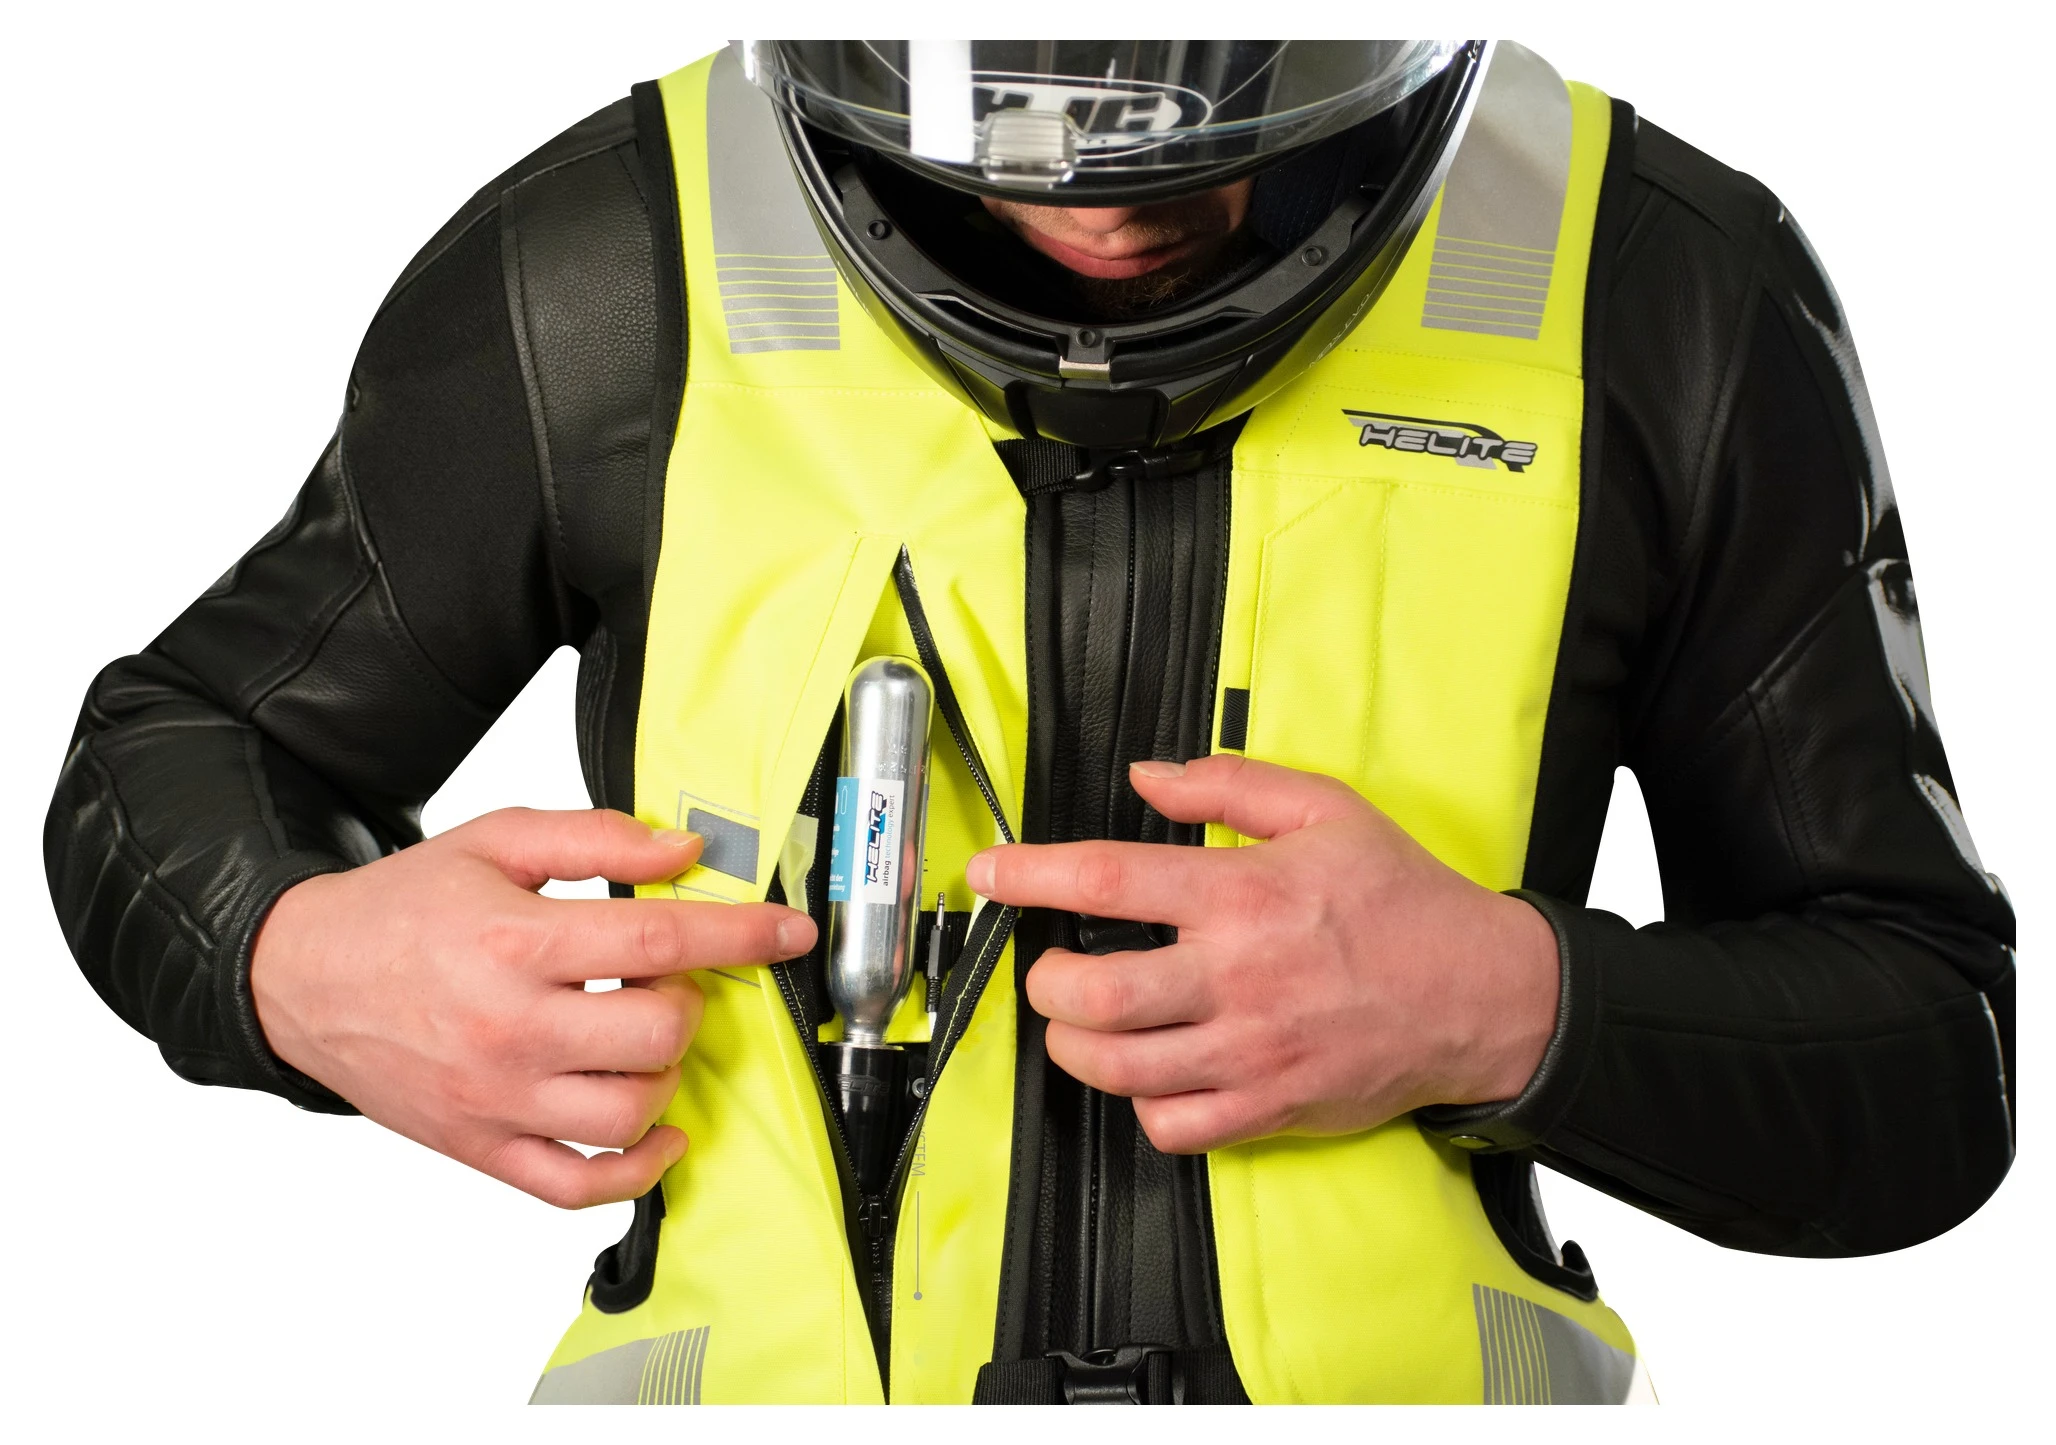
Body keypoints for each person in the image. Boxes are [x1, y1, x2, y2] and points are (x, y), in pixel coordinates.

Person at [44, 39, 2014, 1405]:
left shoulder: (1648, 283)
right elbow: (175, 743)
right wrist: (294, 956)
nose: (1109, 189)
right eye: (1019, 85)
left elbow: (1933, 1052)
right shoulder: (608, 272)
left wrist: (1509, 1002)